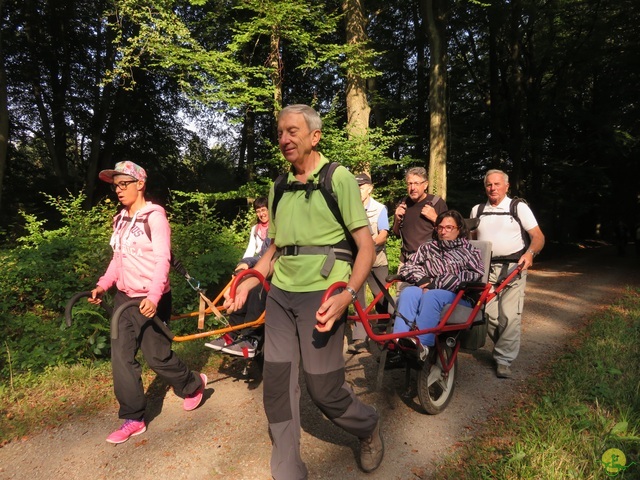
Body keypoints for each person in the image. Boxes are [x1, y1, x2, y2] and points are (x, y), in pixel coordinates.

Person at [225, 104, 383, 478]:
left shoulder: (338, 178)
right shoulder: (278, 186)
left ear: (315, 136)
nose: (284, 139)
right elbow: (274, 249)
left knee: (323, 388)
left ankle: (368, 427)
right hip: (281, 293)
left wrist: (349, 293)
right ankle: (288, 468)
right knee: (277, 384)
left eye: (292, 131)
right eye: (280, 132)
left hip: (323, 294)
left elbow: (366, 247)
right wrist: (250, 279)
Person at [88, 161, 207, 444]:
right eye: (115, 185)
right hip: (123, 299)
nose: (118, 190)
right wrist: (102, 285)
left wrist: (153, 298)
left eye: (124, 183)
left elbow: (162, 260)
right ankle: (133, 417)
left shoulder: (155, 217)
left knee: (157, 357)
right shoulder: (120, 219)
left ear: (140, 184)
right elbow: (118, 260)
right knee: (121, 357)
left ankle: (193, 384)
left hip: (151, 298)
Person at [470, 169, 545, 379]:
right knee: (487, 315)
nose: (492, 188)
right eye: (489, 185)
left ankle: (503, 360)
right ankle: (505, 346)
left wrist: (530, 254)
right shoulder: (477, 210)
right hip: (485, 270)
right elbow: (472, 240)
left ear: (506, 186)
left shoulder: (518, 207)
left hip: (514, 268)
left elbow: (538, 237)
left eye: (497, 184)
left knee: (510, 316)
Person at [392, 210, 484, 359]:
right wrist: (423, 281)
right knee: (409, 292)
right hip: (428, 289)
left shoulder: (469, 250)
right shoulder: (428, 248)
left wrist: (436, 284)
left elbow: (474, 274)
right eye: (440, 227)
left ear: (459, 229)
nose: (443, 231)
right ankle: (398, 341)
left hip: (459, 296)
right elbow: (409, 266)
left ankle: (423, 345)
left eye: (449, 227)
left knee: (433, 295)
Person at [205, 201, 271, 358]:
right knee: (242, 285)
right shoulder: (256, 230)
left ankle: (251, 338)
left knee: (256, 290)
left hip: (274, 271)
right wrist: (241, 267)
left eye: (264, 210)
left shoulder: (277, 228)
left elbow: (270, 256)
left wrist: (249, 264)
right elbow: (251, 253)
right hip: (260, 267)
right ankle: (232, 333)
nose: (261, 214)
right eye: (258, 211)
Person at [348, 173, 390, 353]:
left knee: (381, 297)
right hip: (356, 261)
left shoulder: (380, 209)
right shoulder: (349, 208)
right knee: (357, 298)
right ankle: (359, 337)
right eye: (356, 188)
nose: (358, 191)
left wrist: (367, 244)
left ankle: (384, 332)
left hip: (377, 260)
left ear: (370, 189)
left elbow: (383, 234)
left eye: (362, 188)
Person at [392, 166, 448, 264]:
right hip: (406, 261)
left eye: (417, 183)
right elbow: (396, 233)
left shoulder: (437, 203)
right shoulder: (403, 203)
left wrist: (435, 218)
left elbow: (448, 234)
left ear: (425, 185)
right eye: (410, 184)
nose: (413, 188)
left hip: (430, 262)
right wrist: (397, 220)